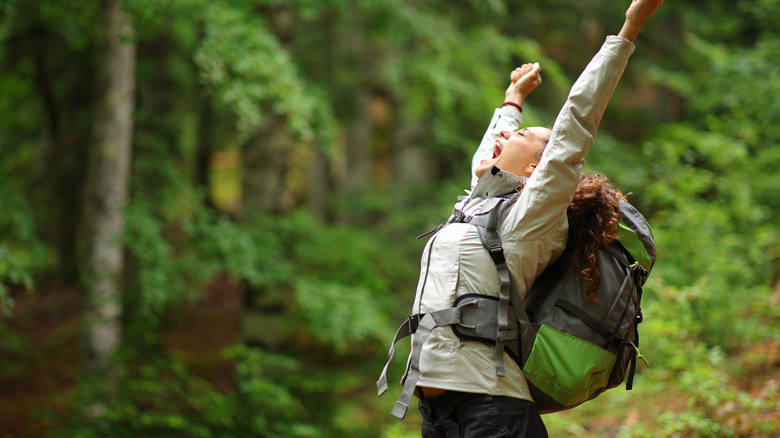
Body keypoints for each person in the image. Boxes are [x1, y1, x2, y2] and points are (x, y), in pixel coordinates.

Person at [399, 1, 663, 436]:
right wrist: (513, 100)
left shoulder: (531, 216)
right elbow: (485, 157)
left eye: (519, 135)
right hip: (442, 416)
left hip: (492, 409)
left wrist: (629, 29)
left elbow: (575, 121)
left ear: (534, 172)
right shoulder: (478, 209)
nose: (506, 136)